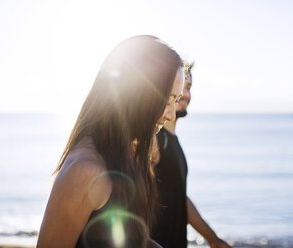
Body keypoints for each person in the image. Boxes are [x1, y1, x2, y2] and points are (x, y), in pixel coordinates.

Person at [36, 35, 184, 248]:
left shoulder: (127, 155)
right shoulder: (86, 170)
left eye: (176, 101)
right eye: (167, 100)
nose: (171, 114)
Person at [151, 63, 232, 248]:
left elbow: (179, 198)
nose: (185, 94)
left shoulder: (171, 141)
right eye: (180, 88)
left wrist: (212, 239)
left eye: (188, 88)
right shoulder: (155, 140)